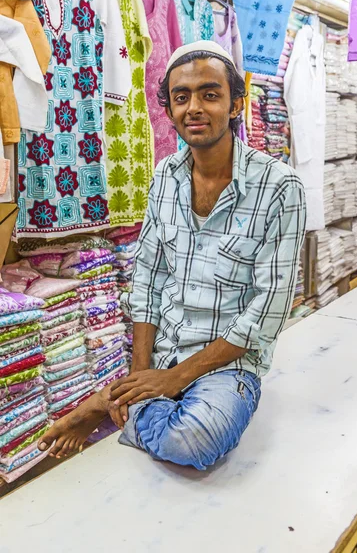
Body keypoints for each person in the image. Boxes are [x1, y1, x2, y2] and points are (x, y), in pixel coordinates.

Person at [38, 41, 306, 470]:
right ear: (169, 109)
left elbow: (269, 310)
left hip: (228, 366)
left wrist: (174, 380)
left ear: (237, 104)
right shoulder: (166, 175)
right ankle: (124, 402)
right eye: (181, 98)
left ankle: (101, 406)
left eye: (210, 94)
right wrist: (142, 376)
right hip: (164, 352)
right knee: (178, 430)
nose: (194, 108)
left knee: (192, 442)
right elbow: (147, 276)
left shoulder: (279, 187)